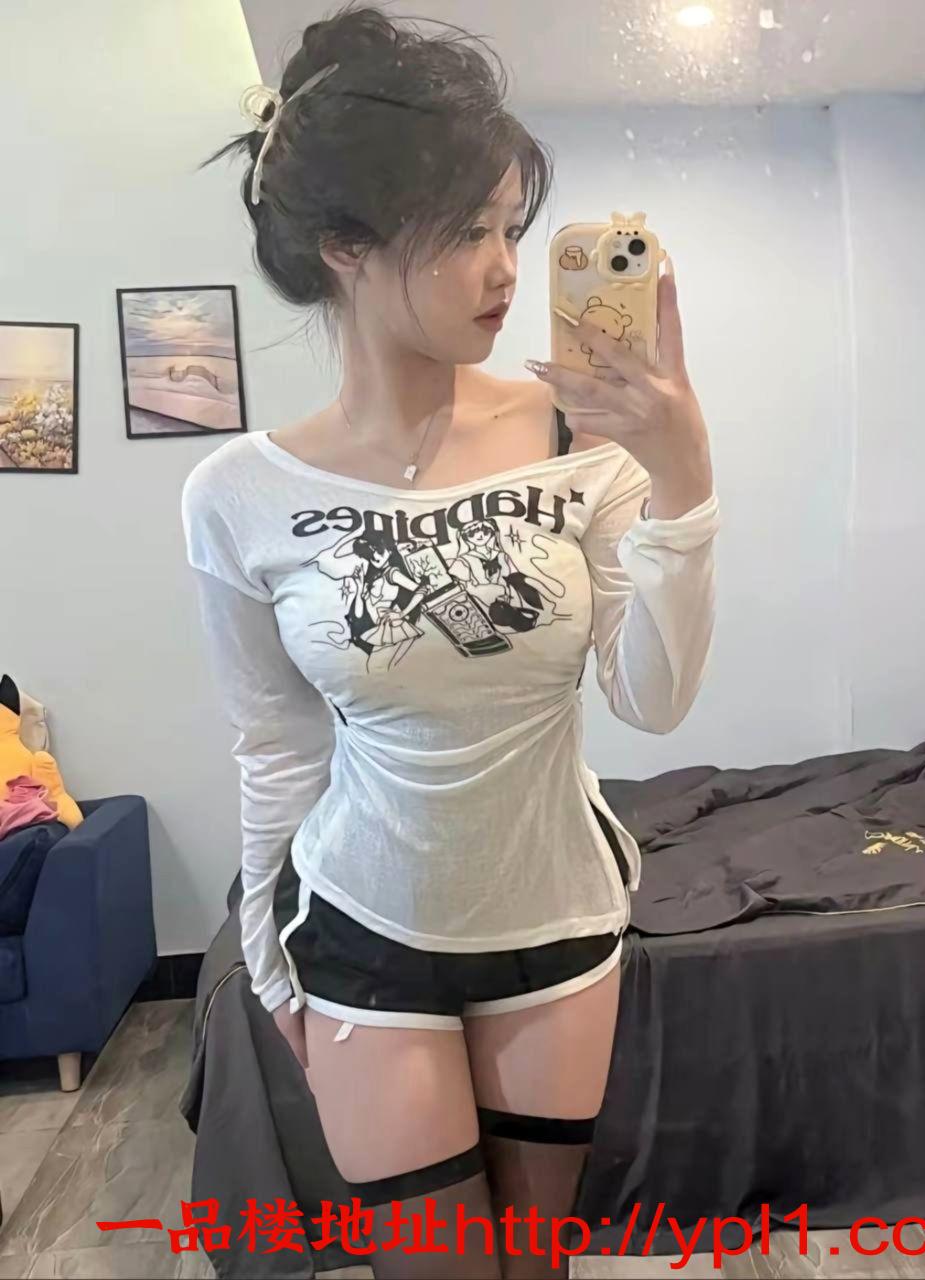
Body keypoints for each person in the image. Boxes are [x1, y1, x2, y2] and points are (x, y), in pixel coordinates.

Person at [181, 5, 720, 1277]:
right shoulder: (238, 495)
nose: (506, 267)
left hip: (558, 917)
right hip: (361, 922)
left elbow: (652, 698)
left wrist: (684, 475)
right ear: (347, 246)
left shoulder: (578, 434)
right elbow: (275, 745)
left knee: (534, 1266)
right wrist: (267, 964)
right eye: (469, 230)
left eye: (511, 228)